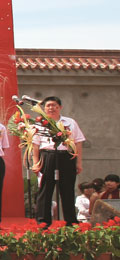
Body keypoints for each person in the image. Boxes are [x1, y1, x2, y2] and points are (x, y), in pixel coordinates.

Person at [31, 96, 85, 227]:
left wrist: (78, 162)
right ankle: (43, 221)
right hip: (47, 156)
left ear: (60, 107)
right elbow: (35, 145)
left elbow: (78, 142)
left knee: (67, 189)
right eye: (48, 105)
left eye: (54, 105)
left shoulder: (70, 122)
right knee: (45, 189)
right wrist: (35, 162)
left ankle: (70, 221)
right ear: (44, 108)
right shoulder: (39, 124)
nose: (51, 108)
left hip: (66, 156)